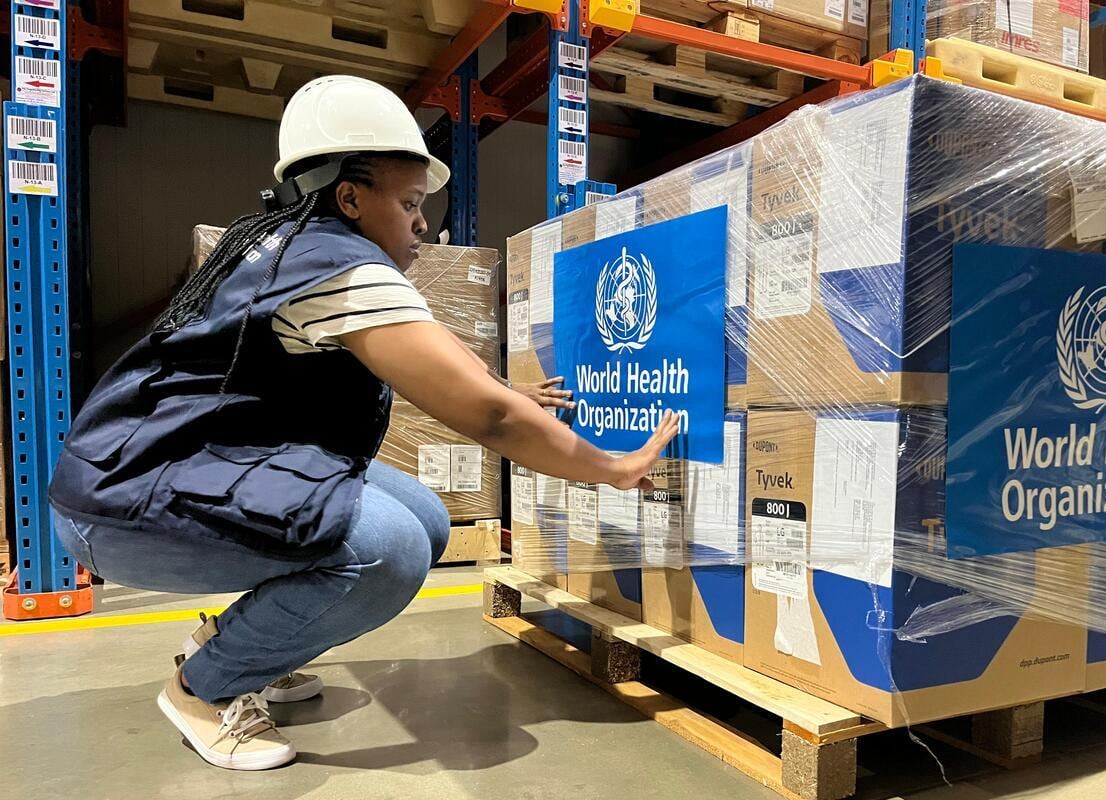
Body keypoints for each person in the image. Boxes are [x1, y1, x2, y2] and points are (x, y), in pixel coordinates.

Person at [48, 75, 678, 771]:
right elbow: (489, 419)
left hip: (175, 467)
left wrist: (506, 385)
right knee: (391, 551)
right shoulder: (340, 268)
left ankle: (247, 646)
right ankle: (204, 688)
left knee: (425, 516)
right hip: (124, 506)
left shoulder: (293, 243)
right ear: (349, 197)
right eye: (409, 203)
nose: (420, 223)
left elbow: (437, 363)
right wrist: (612, 467)